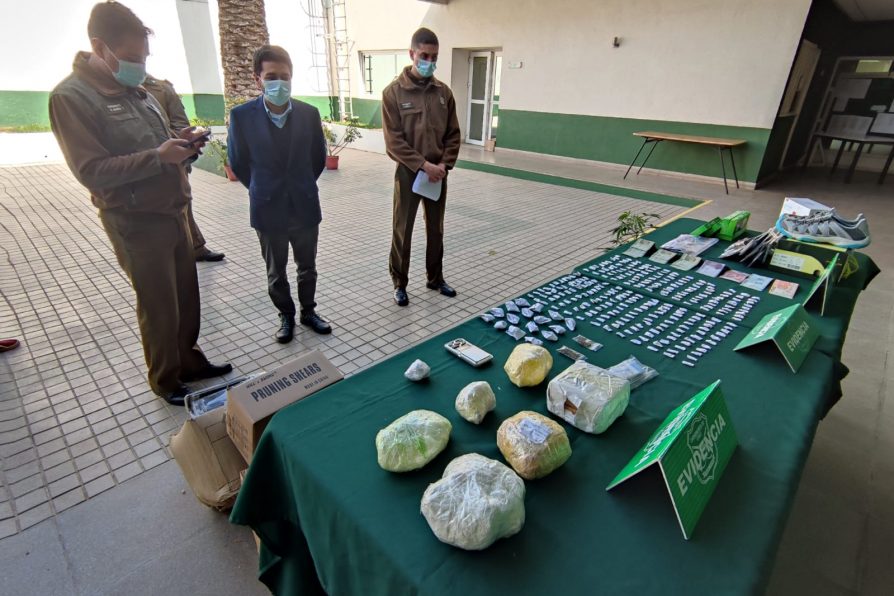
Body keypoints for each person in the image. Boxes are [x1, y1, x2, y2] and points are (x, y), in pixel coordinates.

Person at [49, 1, 231, 404]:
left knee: (186, 294)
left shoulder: (140, 91)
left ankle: (189, 359)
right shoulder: (71, 97)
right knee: (158, 302)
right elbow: (91, 170)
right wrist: (158, 157)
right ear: (100, 47)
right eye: (132, 58)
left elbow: (159, 142)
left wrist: (184, 145)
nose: (140, 67)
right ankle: (166, 378)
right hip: (135, 219)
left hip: (173, 209)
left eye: (144, 58)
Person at [227, 45, 331, 343]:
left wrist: (299, 185)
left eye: (285, 76)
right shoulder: (242, 116)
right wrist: (264, 188)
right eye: (271, 76)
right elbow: (238, 163)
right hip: (267, 208)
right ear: (257, 79)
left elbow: (317, 158)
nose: (279, 83)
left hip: (304, 206)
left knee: (307, 267)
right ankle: (285, 315)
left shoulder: (308, 114)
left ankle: (308, 312)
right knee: (276, 272)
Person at [382, 27, 462, 307]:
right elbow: (394, 142)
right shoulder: (393, 93)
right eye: (424, 55)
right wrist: (422, 164)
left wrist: (443, 164)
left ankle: (435, 277)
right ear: (412, 54)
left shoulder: (444, 93)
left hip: (438, 172)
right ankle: (400, 283)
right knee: (403, 229)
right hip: (409, 172)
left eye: (434, 56)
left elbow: (453, 134)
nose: (429, 61)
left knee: (436, 228)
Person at [143, 73, 226, 263]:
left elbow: (179, 121)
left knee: (183, 207)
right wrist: (158, 154)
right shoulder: (90, 93)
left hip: (175, 167)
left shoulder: (161, 89)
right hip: (143, 183)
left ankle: (195, 246)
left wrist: (182, 142)